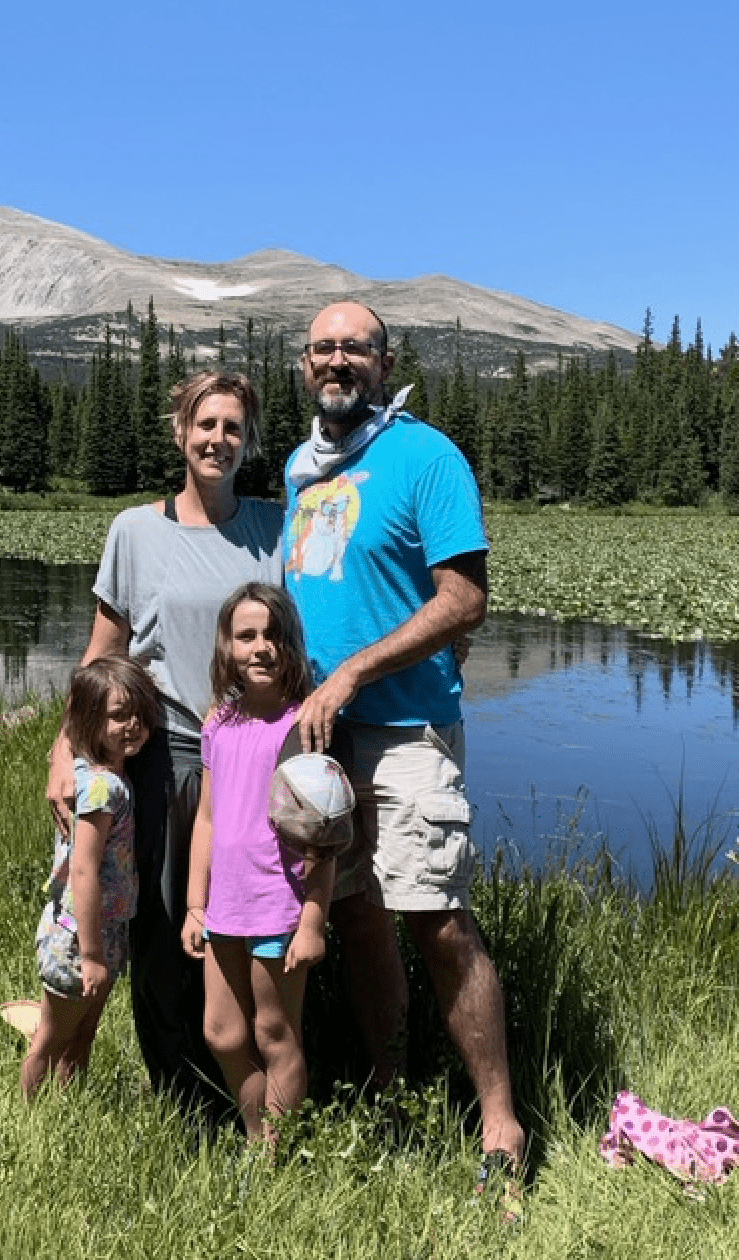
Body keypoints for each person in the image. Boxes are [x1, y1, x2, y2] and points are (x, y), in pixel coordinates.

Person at [284, 301, 525, 1171]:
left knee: (436, 917)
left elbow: (464, 600)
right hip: (322, 741)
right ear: (304, 365)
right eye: (323, 348)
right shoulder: (298, 470)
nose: (337, 359)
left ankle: (501, 1126)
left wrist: (354, 671)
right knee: (354, 915)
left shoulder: (428, 456)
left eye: (354, 346)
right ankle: (390, 1095)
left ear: (385, 363)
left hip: (408, 729)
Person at [46, 371, 283, 1111]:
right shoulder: (135, 531)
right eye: (205, 425)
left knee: (238, 921)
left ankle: (240, 1087)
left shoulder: (274, 527)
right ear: (181, 433)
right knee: (157, 927)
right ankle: (178, 1095)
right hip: (162, 754)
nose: (219, 440)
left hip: (248, 754)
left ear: (248, 442)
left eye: (233, 428)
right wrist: (65, 747)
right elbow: (103, 648)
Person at [180, 582, 334, 1142]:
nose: (260, 647)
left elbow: (324, 835)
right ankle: (258, 1133)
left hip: (279, 904)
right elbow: (207, 819)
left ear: (290, 647)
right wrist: (196, 904)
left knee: (274, 1032)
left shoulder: (301, 728)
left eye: (272, 636)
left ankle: (270, 1158)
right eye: (246, 636)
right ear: (227, 649)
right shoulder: (217, 724)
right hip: (224, 905)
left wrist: (312, 919)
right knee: (222, 1033)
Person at [21, 655, 158, 1098]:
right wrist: (94, 955)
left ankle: (68, 1110)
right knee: (52, 1036)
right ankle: (26, 1115)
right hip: (79, 937)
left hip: (103, 929)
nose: (133, 725)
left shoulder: (111, 776)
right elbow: (84, 868)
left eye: (140, 713)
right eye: (119, 716)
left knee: (83, 1034)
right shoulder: (101, 787)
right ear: (88, 720)